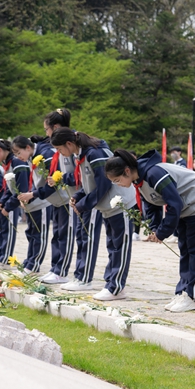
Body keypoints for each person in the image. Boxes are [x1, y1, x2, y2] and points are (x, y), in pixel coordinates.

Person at [105, 149, 195, 311]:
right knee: (184, 249)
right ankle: (183, 291)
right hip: (185, 206)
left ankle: (193, 295)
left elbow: (174, 203)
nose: (117, 184)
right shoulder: (139, 180)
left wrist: (163, 232)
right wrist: (155, 229)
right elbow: (151, 205)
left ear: (127, 171)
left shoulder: (153, 173)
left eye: (116, 180)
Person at [48, 128, 136, 299]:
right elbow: (88, 184)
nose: (60, 153)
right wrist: (78, 196)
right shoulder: (82, 155)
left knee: (120, 247)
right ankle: (111, 284)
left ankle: (116, 287)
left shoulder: (95, 154)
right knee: (112, 246)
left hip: (121, 204)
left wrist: (84, 205)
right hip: (108, 206)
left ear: (69, 143)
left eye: (60, 149)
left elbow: (104, 184)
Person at [17, 109, 78, 284]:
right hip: (58, 198)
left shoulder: (60, 148)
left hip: (68, 197)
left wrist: (34, 194)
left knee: (65, 235)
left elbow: (61, 177)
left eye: (46, 129)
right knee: (58, 234)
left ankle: (62, 271)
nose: (46, 133)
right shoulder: (54, 148)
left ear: (56, 127)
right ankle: (55, 269)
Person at [11, 136, 53, 274]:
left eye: (18, 152)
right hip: (33, 199)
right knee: (31, 233)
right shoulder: (30, 159)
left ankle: (34, 265)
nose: (18, 157)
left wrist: (31, 195)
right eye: (15, 154)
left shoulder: (43, 155)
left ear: (28, 148)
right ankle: (29, 262)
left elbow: (46, 182)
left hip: (42, 201)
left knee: (39, 235)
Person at [0, 138, 26, 266]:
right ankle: (1, 255)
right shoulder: (7, 163)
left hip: (15, 203)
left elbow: (20, 188)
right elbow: (7, 187)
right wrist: (2, 201)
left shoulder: (16, 162)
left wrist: (8, 205)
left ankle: (5, 258)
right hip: (8, 202)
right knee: (2, 229)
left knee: (8, 230)